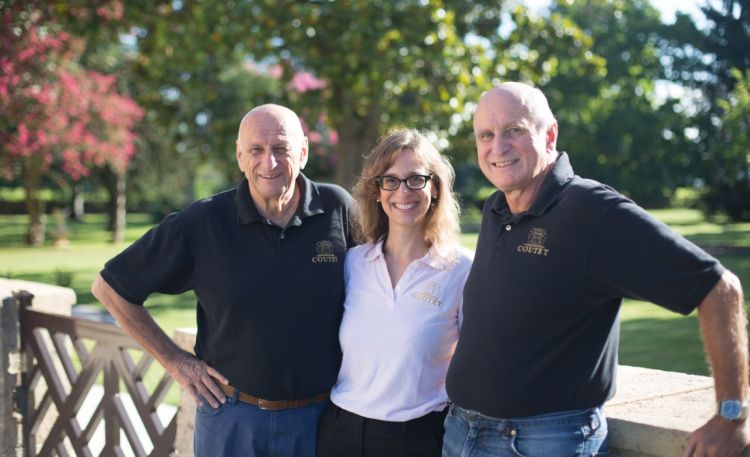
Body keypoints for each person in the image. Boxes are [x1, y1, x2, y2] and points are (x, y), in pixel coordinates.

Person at [443, 82, 749, 457]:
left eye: (514, 130)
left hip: (543, 443)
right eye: (485, 135)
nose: (498, 147)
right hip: (463, 433)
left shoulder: (592, 211)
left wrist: (732, 416)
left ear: (550, 134)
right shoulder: (497, 208)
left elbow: (719, 287)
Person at [90, 104, 353, 457]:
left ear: (303, 152)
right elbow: (109, 288)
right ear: (240, 156)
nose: (269, 163)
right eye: (256, 151)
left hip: (323, 420)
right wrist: (175, 361)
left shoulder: (338, 208)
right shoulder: (203, 222)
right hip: (232, 419)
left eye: (281, 149)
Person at [316, 129, 473, 457]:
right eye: (390, 180)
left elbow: (478, 359)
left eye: (416, 179)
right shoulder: (353, 263)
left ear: (435, 187)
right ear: (376, 191)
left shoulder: (461, 269)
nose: (403, 191)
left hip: (415, 438)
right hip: (339, 432)